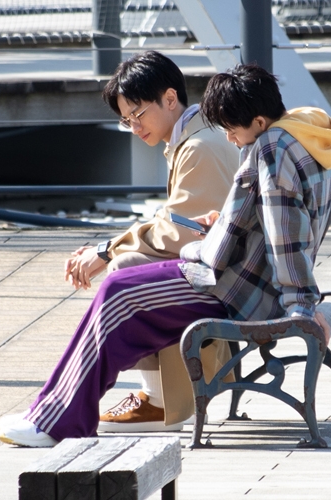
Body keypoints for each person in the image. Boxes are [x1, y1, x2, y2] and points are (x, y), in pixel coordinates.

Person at [0, 63, 331, 447]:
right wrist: (220, 223)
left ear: (259, 120)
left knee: (120, 295)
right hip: (241, 276)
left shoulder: (270, 153)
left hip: (240, 291)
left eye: (231, 129)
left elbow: (285, 240)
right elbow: (280, 221)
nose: (228, 138)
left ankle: (57, 424)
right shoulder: (303, 133)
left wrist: (300, 309)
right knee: (119, 284)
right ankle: (54, 412)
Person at [65, 51, 239, 433]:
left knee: (128, 272)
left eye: (138, 113)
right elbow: (176, 222)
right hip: (236, 272)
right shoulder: (196, 138)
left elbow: (180, 232)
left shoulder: (200, 147)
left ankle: (159, 402)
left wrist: (107, 250)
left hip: (230, 287)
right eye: (126, 120)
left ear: (170, 98)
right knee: (128, 267)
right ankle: (154, 396)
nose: (133, 126)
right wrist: (109, 247)